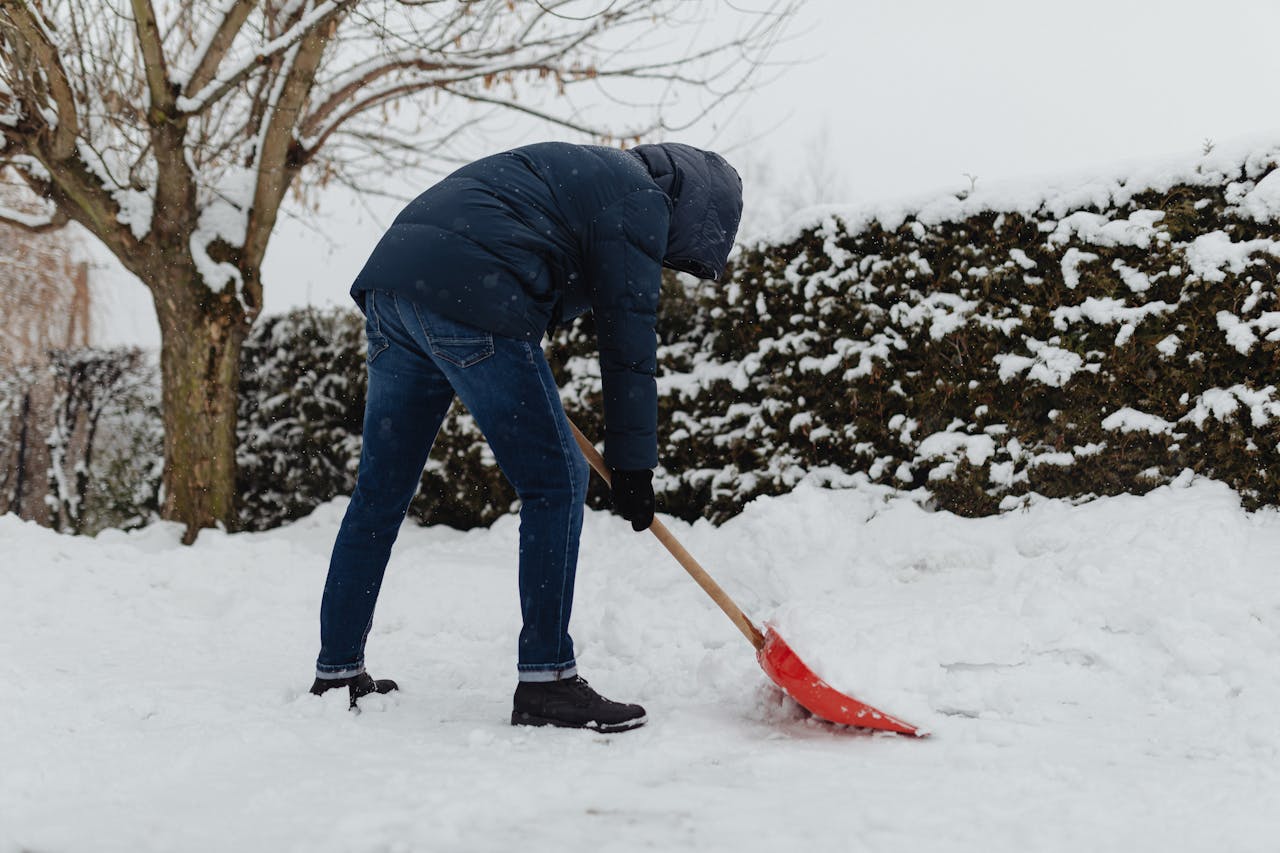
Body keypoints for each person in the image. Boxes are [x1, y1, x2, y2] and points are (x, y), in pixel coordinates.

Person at [308, 141, 743, 732]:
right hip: (471, 293)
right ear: (694, 208)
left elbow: (534, 262)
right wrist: (634, 467)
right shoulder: (641, 200)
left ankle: (336, 670)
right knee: (556, 481)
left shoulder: (591, 174)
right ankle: (547, 681)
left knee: (379, 493)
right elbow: (629, 345)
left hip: (395, 291)